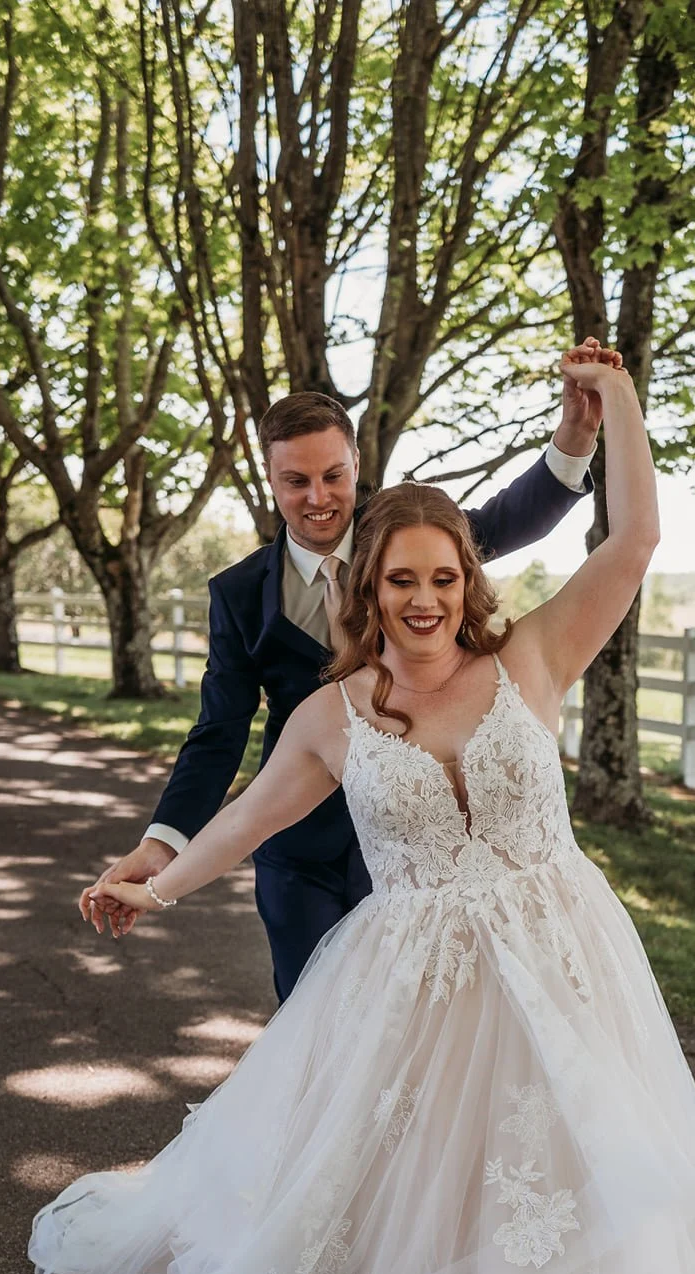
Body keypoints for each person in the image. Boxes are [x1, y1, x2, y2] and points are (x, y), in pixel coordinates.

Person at [31, 351, 695, 1274]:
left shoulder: (531, 661)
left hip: (562, 963)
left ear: (469, 581)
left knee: (577, 1163)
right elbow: (244, 817)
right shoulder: (331, 716)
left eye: (443, 576)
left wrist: (614, 409)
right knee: (423, 1162)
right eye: (400, 578)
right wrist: (150, 880)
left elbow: (632, 543)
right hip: (417, 978)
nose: (423, 597)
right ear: (367, 588)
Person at [83, 350, 605, 1002]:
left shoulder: (408, 544)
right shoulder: (239, 594)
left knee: (420, 1024)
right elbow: (218, 731)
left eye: (333, 476)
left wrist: (576, 437)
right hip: (295, 848)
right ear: (270, 479)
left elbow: (508, 516)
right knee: (316, 1028)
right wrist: (163, 846)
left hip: (413, 840)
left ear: (357, 467)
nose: (317, 498)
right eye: (295, 481)